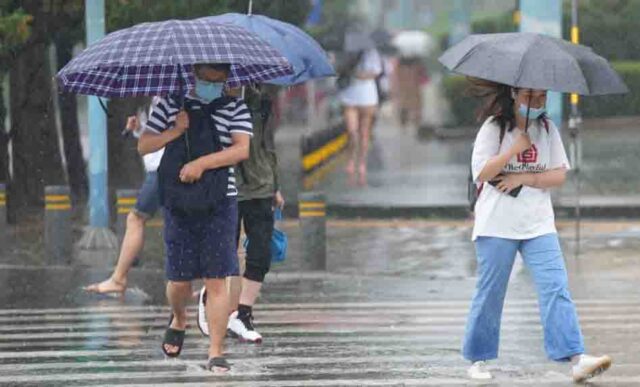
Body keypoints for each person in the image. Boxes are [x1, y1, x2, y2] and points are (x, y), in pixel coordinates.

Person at [463, 81, 611, 383]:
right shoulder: (494, 128)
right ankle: (478, 359)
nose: (537, 101)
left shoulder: (547, 129)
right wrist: (514, 150)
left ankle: (576, 358)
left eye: (542, 96)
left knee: (555, 288)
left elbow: (558, 174)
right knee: (490, 294)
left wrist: (524, 177)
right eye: (531, 95)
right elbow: (481, 172)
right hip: (497, 224)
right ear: (514, 94)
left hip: (539, 224)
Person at [137, 63, 251, 373]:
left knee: (216, 278)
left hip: (219, 202)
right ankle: (179, 316)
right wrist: (175, 130)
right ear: (194, 74)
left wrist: (202, 163)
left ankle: (216, 351)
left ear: (227, 78)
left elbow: (241, 150)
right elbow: (144, 144)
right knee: (179, 282)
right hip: (178, 201)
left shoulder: (235, 107)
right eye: (207, 79)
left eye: (219, 80)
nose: (212, 85)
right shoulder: (171, 103)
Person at [197, 84, 284, 344]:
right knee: (227, 252)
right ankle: (211, 296)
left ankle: (243, 314)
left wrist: (275, 185)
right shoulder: (209, 103)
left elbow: (267, 145)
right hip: (226, 185)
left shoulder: (261, 101)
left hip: (260, 186)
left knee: (261, 252)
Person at [84, 104, 163, 294]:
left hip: (163, 170)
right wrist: (139, 129)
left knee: (136, 218)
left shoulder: (166, 97)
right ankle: (202, 283)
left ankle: (119, 278)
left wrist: (144, 133)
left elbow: (164, 138)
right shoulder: (155, 99)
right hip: (162, 169)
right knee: (185, 223)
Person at [338, 47, 383, 186]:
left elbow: (377, 71)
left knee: (364, 133)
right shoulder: (345, 52)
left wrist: (362, 75)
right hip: (349, 94)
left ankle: (362, 162)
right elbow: (338, 68)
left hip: (367, 96)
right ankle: (351, 159)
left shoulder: (372, 52)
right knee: (352, 132)